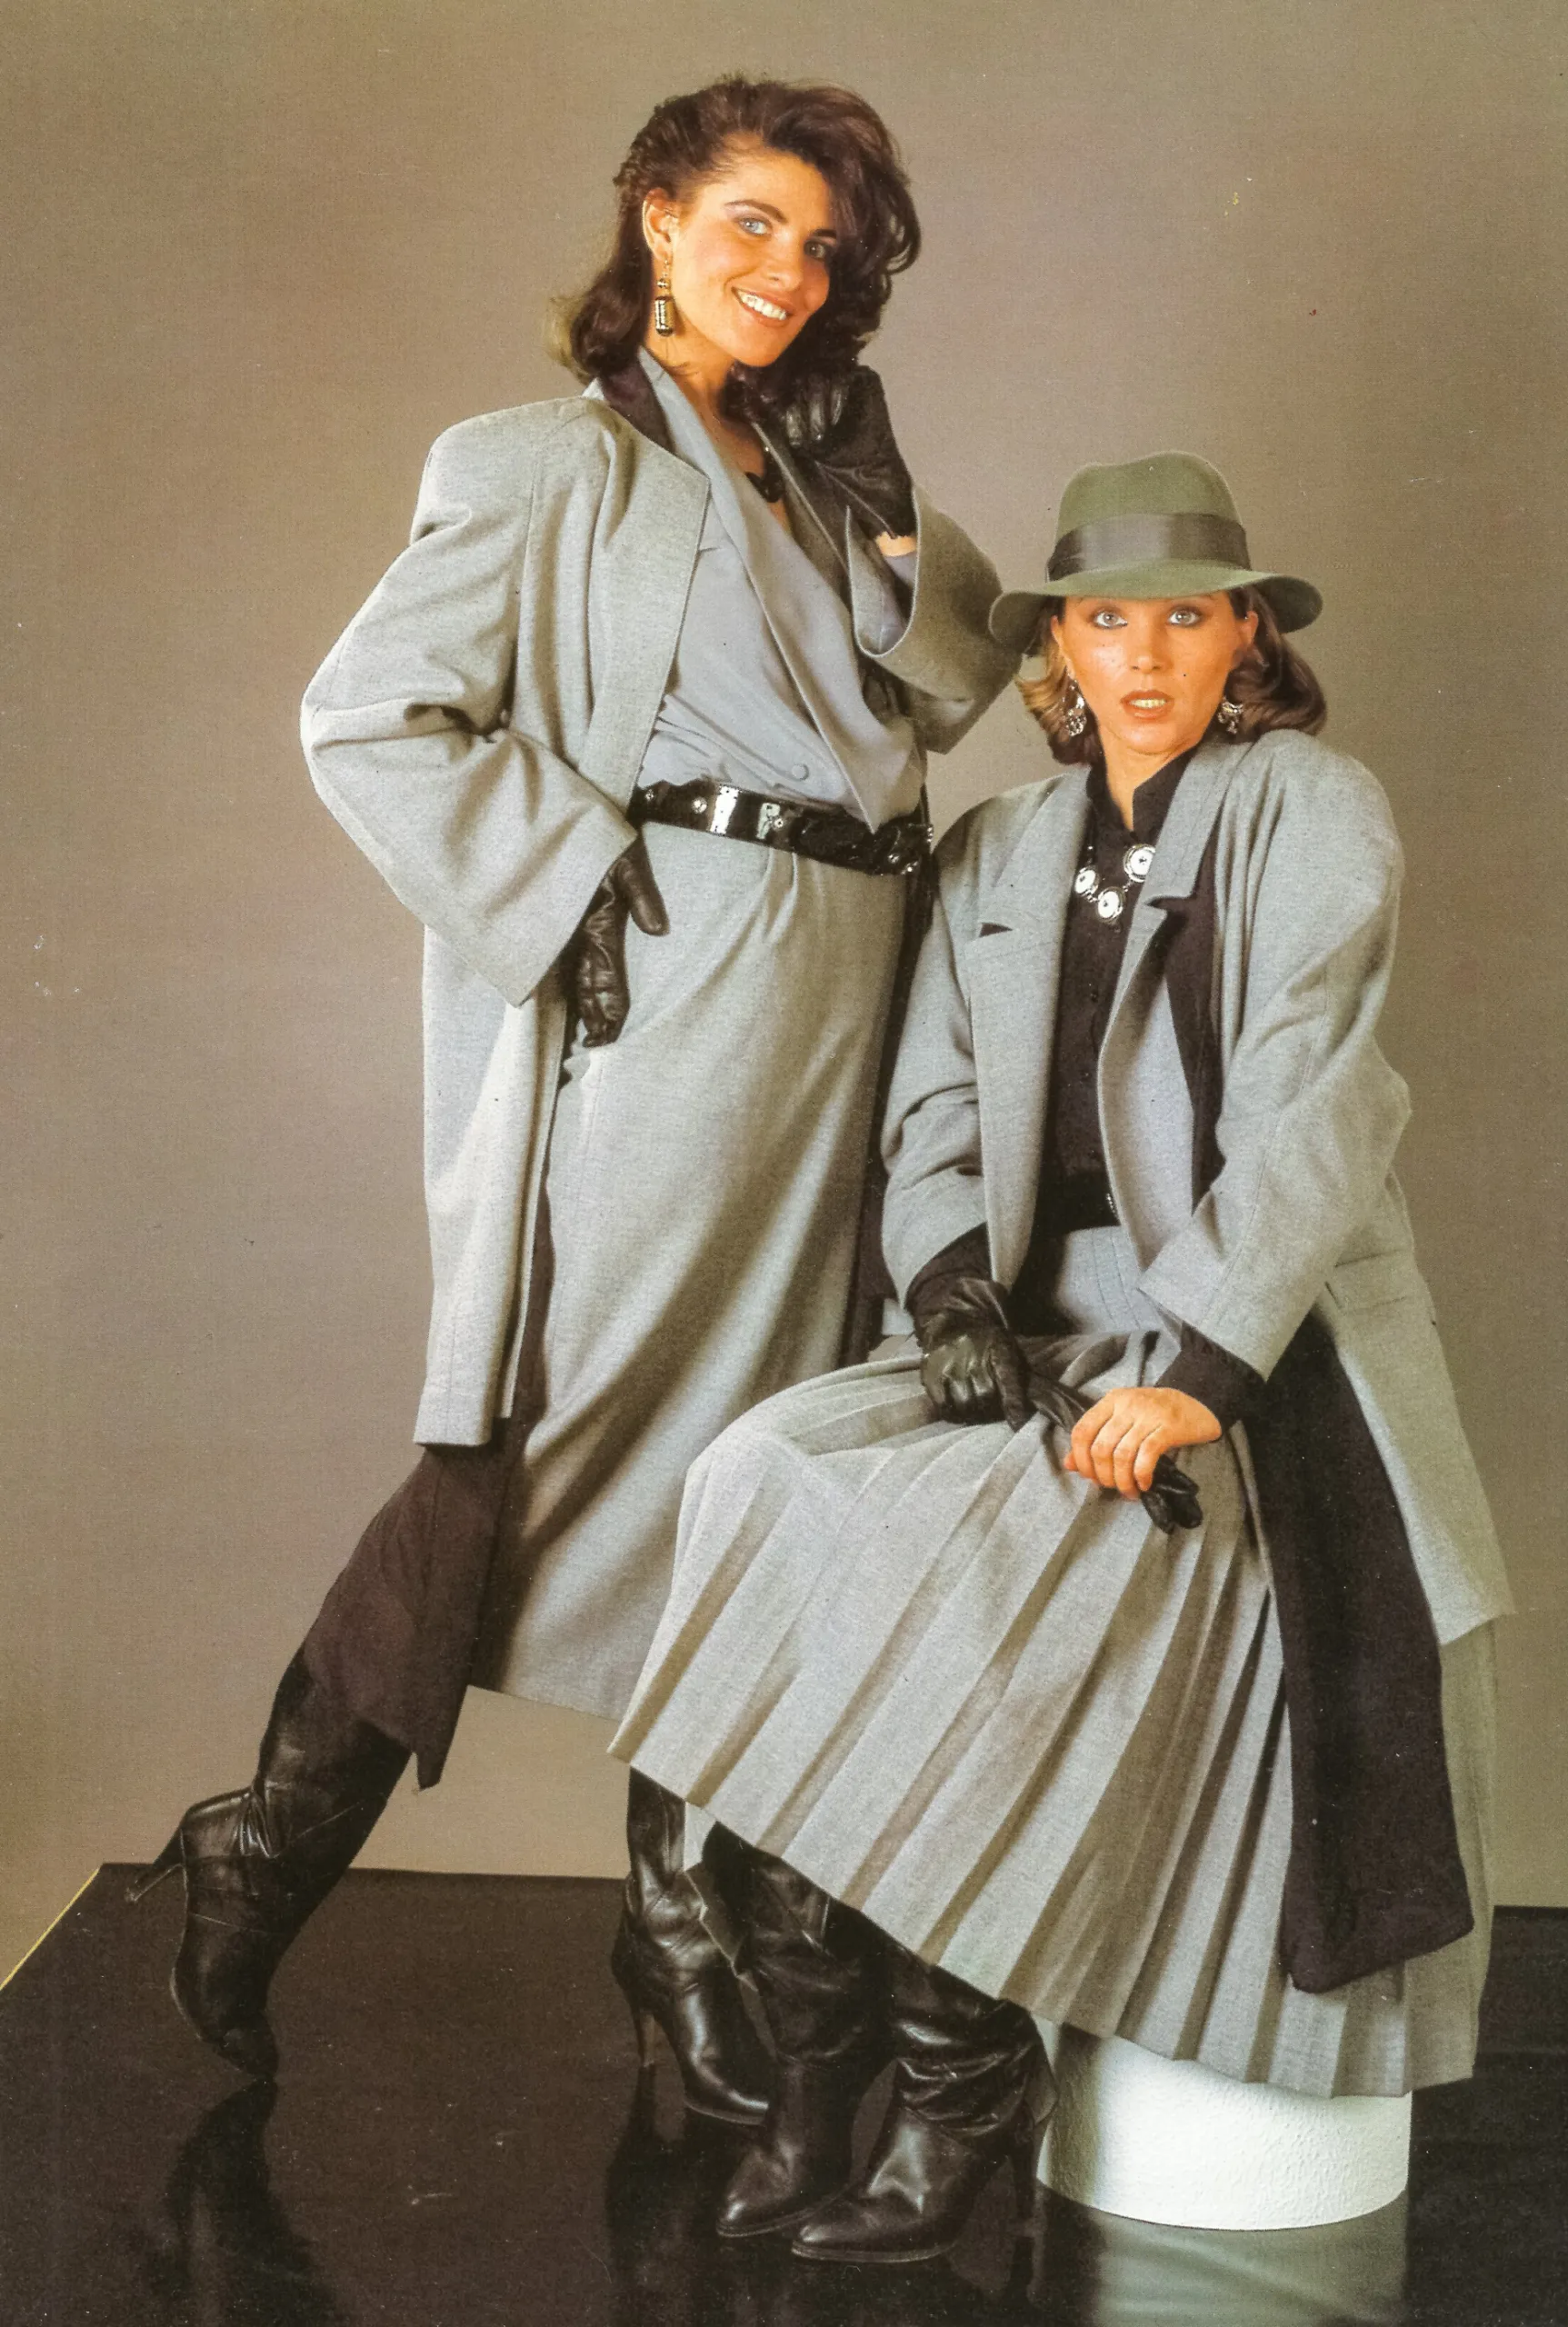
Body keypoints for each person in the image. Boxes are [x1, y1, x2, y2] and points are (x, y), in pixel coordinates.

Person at [131, 76, 1016, 2107]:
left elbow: (965, 686)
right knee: (563, 1436)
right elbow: (371, 714)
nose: (785, 273)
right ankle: (269, 1835)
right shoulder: (540, 460)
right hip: (685, 975)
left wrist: (880, 510)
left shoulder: (816, 470)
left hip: (860, 980)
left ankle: (675, 1917)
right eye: (749, 222)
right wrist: (557, 878)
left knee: (771, 1450)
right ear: (653, 213)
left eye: (821, 246)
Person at [614, 450, 1512, 2263]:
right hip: (1032, 1318)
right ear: (1058, 649)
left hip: (1260, 1325)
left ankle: (957, 2087)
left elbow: (1315, 1108)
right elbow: (934, 1103)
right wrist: (949, 1292)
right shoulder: (999, 849)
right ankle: (822, 2058)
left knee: (981, 1584)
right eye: (1107, 619)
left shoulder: (1308, 808)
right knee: (756, 1478)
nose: (1144, 653)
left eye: (1184, 617)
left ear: (1244, 634)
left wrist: (1198, 1373)